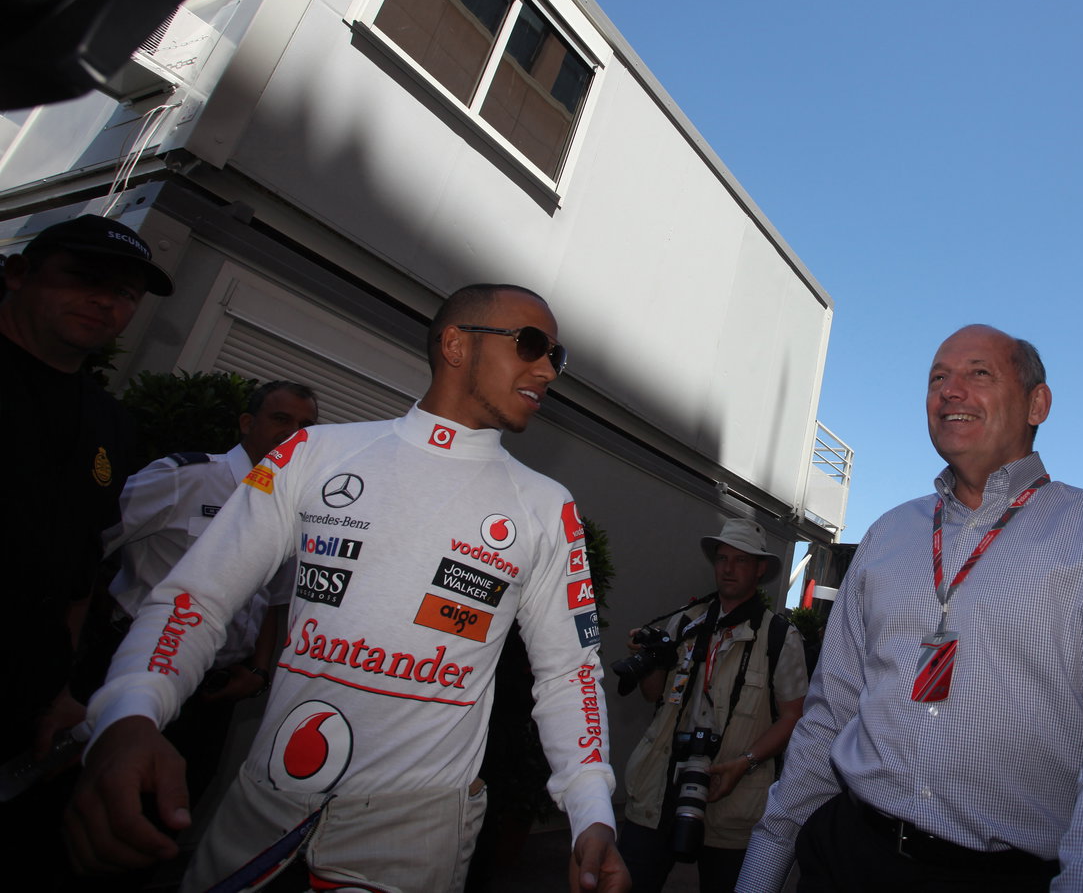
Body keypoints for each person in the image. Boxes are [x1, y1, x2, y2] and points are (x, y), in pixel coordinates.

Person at [66, 283, 627, 893]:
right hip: (263, 805)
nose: (547, 368)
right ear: (456, 344)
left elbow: (569, 674)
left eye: (555, 355)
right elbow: (195, 600)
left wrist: (591, 810)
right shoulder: (312, 453)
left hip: (416, 830)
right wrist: (129, 711)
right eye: (531, 345)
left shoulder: (547, 508)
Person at [737, 324, 1083, 893]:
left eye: (978, 373)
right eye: (937, 378)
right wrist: (765, 864)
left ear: (1037, 403)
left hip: (1008, 875)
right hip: (851, 854)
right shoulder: (888, 535)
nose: (950, 391)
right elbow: (831, 712)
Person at [0, 214, 172, 879]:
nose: (107, 301)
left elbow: (79, 569)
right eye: (84, 278)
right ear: (18, 274)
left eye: (126, 292)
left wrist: (61, 689)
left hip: (24, 718)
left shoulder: (110, 421)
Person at [101, 379, 320, 804]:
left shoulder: (293, 509)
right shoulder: (186, 478)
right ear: (246, 422)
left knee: (174, 811)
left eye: (305, 425)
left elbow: (274, 600)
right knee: (107, 806)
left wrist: (257, 672)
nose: (292, 432)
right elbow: (90, 539)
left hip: (215, 694)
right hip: (138, 674)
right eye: (280, 418)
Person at [618, 519, 809, 893]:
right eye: (722, 558)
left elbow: (793, 717)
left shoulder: (779, 637)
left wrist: (746, 762)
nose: (727, 567)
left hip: (732, 799)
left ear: (760, 569)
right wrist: (648, 662)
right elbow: (653, 696)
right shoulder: (683, 623)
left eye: (740, 560)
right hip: (658, 790)